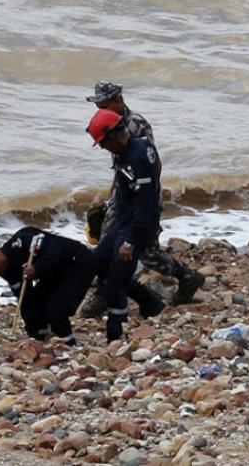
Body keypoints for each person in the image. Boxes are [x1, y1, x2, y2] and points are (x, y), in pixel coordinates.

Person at [84, 81, 204, 311]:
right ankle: (104, 292)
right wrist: (113, 195)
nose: (100, 110)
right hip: (123, 196)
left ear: (118, 100)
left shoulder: (136, 124)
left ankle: (185, 276)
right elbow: (119, 167)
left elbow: (152, 162)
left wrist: (146, 196)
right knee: (110, 242)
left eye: (105, 105)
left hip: (142, 196)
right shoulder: (107, 126)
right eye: (98, 106)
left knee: (144, 249)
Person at [86, 109, 164, 341]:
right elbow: (125, 193)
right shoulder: (123, 153)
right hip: (122, 220)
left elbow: (146, 203)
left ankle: (115, 333)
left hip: (138, 225)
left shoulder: (139, 155)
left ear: (117, 134)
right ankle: (149, 302)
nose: (102, 148)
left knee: (116, 280)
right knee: (99, 262)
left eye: (103, 143)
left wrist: (130, 241)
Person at [0, 227, 96, 347]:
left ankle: (70, 346)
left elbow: (55, 250)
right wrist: (34, 331)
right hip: (55, 273)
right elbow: (25, 299)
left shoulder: (24, 241)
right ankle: (43, 337)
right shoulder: (7, 271)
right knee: (36, 305)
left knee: (56, 310)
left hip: (78, 263)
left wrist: (37, 268)